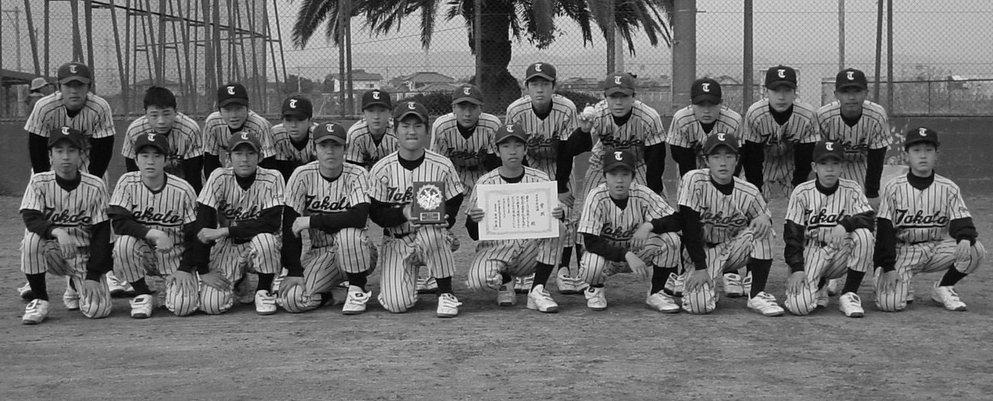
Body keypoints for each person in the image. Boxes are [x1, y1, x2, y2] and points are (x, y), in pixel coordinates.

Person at [20, 61, 126, 300]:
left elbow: (103, 149)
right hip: (50, 164)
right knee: (36, 217)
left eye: (80, 85)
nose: (74, 90)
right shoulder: (45, 107)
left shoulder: (99, 107)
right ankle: (34, 276)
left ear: (89, 87)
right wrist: (47, 183)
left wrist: (89, 187)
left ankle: (105, 271)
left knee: (99, 217)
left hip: (88, 164)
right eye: (69, 85)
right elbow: (37, 149)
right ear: (59, 87)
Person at [368, 102, 465, 317]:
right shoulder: (382, 169)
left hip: (432, 236)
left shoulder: (442, 165)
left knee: (432, 233)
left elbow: (455, 199)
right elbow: (376, 213)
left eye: (418, 126)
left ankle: (445, 293)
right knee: (396, 304)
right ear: (395, 130)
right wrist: (402, 213)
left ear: (427, 131)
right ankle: (409, 282)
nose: (411, 131)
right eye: (405, 126)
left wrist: (447, 219)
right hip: (397, 241)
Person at [873, 127, 985, 312]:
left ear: (936, 155)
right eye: (916, 150)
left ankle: (944, 286)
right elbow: (885, 231)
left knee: (975, 249)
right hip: (903, 252)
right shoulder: (893, 188)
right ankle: (899, 282)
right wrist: (887, 266)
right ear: (907, 155)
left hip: (936, 248)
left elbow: (962, 220)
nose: (923, 155)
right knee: (889, 305)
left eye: (928, 150)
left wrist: (965, 238)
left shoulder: (949, 187)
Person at [505, 61, 591, 295]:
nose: (540, 89)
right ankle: (526, 269)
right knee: (527, 215)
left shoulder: (566, 108)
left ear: (554, 86)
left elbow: (567, 150)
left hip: (558, 165)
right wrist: (525, 183)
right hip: (529, 164)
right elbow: (514, 149)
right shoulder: (516, 110)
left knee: (565, 216)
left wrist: (560, 187)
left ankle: (563, 269)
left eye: (545, 84)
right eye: (534, 84)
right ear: (526, 88)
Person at [677, 133, 783, 316]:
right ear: (706, 160)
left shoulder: (749, 191)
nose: (723, 163)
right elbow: (689, 226)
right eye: (716, 156)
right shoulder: (694, 180)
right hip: (700, 252)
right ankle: (708, 291)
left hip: (732, 249)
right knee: (698, 307)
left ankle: (757, 294)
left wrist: (764, 218)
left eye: (728, 156)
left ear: (737, 159)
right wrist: (700, 267)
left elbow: (765, 218)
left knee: (764, 230)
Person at [464, 123, 565, 313]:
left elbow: (555, 219)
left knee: (559, 227)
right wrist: (473, 220)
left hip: (529, 250)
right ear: (497, 151)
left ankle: (537, 289)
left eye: (518, 145)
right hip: (496, 250)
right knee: (478, 281)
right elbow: (473, 234)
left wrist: (559, 214)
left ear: (525, 149)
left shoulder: (540, 179)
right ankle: (505, 282)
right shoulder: (485, 183)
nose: (512, 151)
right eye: (506, 146)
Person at [279, 122, 377, 315]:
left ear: (345, 149)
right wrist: (294, 270)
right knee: (292, 299)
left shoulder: (358, 173)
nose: (330, 151)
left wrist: (312, 221)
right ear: (314, 149)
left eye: (336, 145)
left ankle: (357, 288)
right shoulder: (302, 175)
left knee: (348, 235)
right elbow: (290, 225)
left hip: (359, 250)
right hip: (320, 253)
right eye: (324, 145)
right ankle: (335, 295)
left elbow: (358, 217)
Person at [19, 127, 113, 324]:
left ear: (81, 155)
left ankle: (74, 284)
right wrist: (57, 232)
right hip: (51, 249)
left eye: (71, 150)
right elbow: (30, 217)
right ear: (50, 155)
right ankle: (39, 299)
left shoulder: (95, 186)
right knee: (31, 239)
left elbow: (102, 233)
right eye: (59, 151)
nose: (65, 157)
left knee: (98, 310)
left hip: (84, 255)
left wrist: (93, 275)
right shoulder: (38, 182)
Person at [577, 150, 682, 312]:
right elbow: (591, 242)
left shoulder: (642, 193)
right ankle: (595, 289)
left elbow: (676, 219)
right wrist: (625, 254)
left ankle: (657, 292)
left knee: (672, 239)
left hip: (639, 254)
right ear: (605, 176)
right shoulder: (596, 196)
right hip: (607, 259)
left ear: (633, 177)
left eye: (625, 174)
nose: (619, 180)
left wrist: (649, 226)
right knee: (592, 263)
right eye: (613, 174)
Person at [815, 68, 891, 295]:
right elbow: (819, 155)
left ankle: (880, 269)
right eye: (845, 91)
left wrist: (872, 192)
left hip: (863, 166)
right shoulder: (824, 116)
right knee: (830, 214)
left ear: (866, 93)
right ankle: (830, 270)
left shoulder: (876, 115)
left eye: (856, 91)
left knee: (872, 218)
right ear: (836, 94)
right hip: (833, 166)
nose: (851, 96)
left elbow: (877, 155)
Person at [108, 133, 200, 318]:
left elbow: (194, 235)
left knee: (183, 308)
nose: (150, 161)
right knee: (123, 244)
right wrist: (155, 234)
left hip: (175, 255)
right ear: (136, 160)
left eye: (156, 156)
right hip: (143, 251)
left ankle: (172, 286)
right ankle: (142, 293)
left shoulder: (183, 189)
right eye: (144, 156)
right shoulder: (127, 182)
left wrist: (185, 269)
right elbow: (119, 223)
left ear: (166, 160)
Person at [193, 132, 284, 315]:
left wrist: (225, 231)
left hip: (263, 247)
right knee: (211, 305)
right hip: (230, 247)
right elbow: (203, 222)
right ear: (228, 158)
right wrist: (203, 270)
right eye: (238, 153)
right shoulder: (219, 177)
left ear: (260, 157)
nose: (244, 159)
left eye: (250, 153)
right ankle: (239, 279)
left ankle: (263, 289)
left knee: (266, 240)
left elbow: (270, 224)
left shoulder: (273, 177)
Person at [782, 140, 875, 317]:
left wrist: (844, 225)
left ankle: (849, 294)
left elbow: (869, 218)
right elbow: (792, 235)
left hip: (839, 250)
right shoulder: (801, 192)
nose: (830, 169)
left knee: (864, 235)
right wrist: (797, 269)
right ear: (814, 167)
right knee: (799, 307)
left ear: (842, 167)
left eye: (835, 163)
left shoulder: (852, 189)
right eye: (824, 163)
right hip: (810, 252)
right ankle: (819, 284)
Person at [740, 65, 820, 199]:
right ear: (766, 91)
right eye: (776, 90)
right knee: (749, 198)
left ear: (795, 92)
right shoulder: (756, 113)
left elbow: (805, 157)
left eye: (787, 90)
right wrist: (756, 189)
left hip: (792, 162)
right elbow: (752, 156)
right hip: (764, 161)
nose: (781, 97)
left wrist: (798, 188)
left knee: (805, 200)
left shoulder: (807, 114)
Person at [121, 86, 204, 193]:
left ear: (176, 111)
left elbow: (194, 175)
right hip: (147, 184)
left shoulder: (189, 130)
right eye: (154, 115)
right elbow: (132, 171)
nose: (161, 121)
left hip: (183, 184)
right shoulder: (135, 131)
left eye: (166, 114)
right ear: (145, 113)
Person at [430, 83, 502, 191]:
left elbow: (496, 165)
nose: (467, 113)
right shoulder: (442, 126)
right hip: (453, 182)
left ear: (480, 109)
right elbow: (437, 166)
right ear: (453, 108)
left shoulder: (492, 125)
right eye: (462, 107)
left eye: (473, 107)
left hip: (486, 181)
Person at [668, 77, 743, 177]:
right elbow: (680, 158)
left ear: (721, 103)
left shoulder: (733, 121)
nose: (706, 110)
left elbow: (737, 159)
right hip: (690, 170)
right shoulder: (682, 119)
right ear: (691, 103)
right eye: (701, 105)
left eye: (711, 105)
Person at [202, 83, 277, 177]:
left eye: (238, 109)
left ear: (248, 108)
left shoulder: (260, 125)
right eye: (227, 110)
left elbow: (268, 164)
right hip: (233, 166)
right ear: (219, 110)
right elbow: (210, 161)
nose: (233, 115)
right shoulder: (212, 123)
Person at [272, 94, 319, 182]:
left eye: (300, 119)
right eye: (289, 120)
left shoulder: (318, 134)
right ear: (282, 121)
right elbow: (281, 171)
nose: (293, 125)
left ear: (310, 121)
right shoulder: (277, 134)